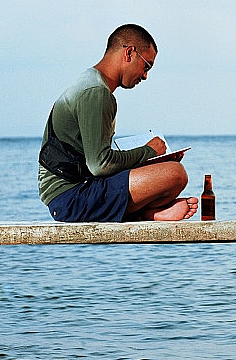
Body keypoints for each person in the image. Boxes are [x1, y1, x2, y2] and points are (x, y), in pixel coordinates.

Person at [38, 24, 199, 222]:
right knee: (175, 174)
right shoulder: (96, 93)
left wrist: (153, 161)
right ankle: (146, 214)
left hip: (73, 192)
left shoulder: (91, 82)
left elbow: (94, 163)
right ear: (129, 52)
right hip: (71, 199)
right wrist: (149, 151)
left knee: (166, 172)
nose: (145, 75)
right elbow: (100, 165)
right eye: (146, 66)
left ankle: (145, 213)